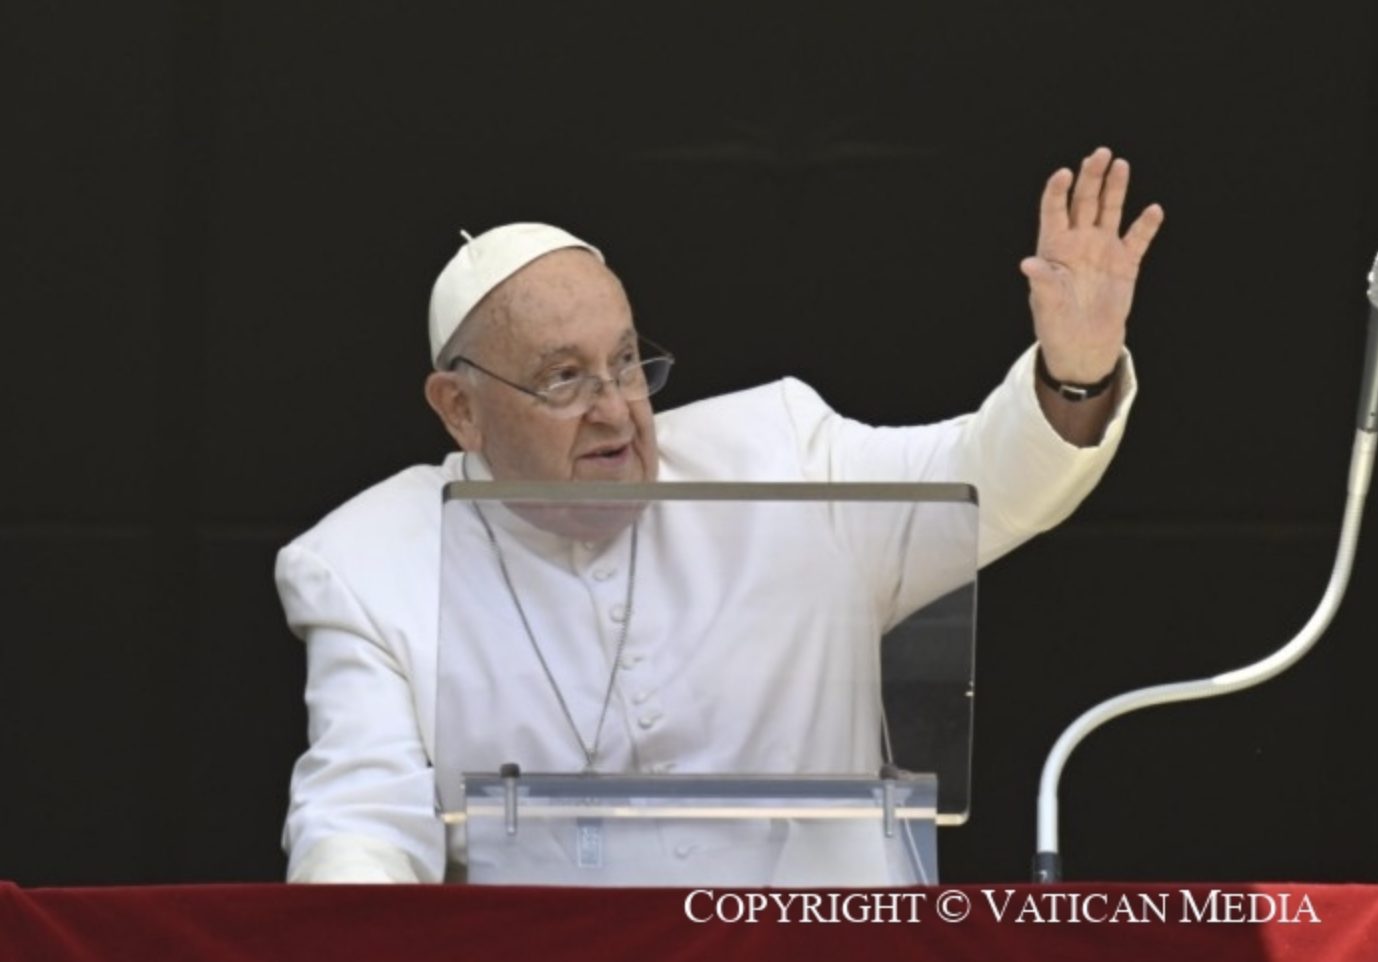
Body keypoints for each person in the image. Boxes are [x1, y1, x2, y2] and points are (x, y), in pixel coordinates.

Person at [275, 147, 1164, 883]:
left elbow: (985, 479)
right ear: (459, 409)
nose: (617, 410)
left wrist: (1073, 370)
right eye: (563, 378)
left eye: (627, 363)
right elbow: (359, 830)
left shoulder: (781, 454)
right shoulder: (366, 562)